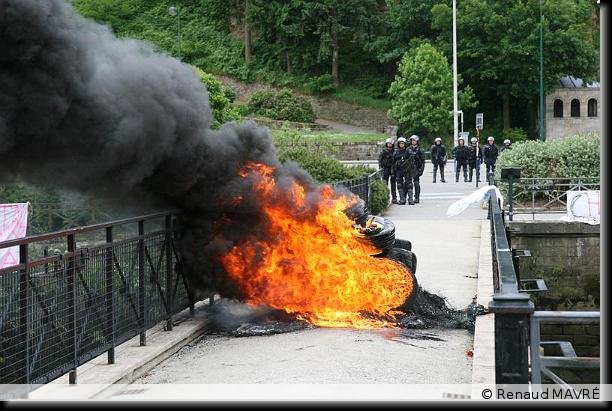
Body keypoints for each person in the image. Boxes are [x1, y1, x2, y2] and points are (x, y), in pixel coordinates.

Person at [393, 136, 415, 205]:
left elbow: (412, 157)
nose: (401, 145)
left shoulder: (408, 151)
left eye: (402, 143)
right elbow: (393, 161)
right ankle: (402, 199)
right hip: (399, 170)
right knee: (399, 184)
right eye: (400, 143)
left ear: (405, 144)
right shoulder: (396, 152)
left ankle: (410, 199)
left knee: (409, 184)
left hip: (407, 169)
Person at [378, 138, 397, 204]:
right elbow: (380, 160)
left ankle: (394, 198)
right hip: (385, 169)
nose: (389, 145)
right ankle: (385, 198)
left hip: (392, 169)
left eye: (390, 143)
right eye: (388, 143)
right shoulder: (383, 152)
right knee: (385, 184)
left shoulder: (395, 151)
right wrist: (380, 168)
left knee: (393, 184)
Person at [407, 135, 425, 203]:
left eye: (414, 140)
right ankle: (409, 197)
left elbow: (423, 161)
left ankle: (417, 197)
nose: (413, 141)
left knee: (416, 183)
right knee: (408, 183)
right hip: (409, 168)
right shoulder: (408, 149)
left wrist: (421, 170)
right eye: (412, 140)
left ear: (417, 141)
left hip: (416, 168)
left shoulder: (420, 150)